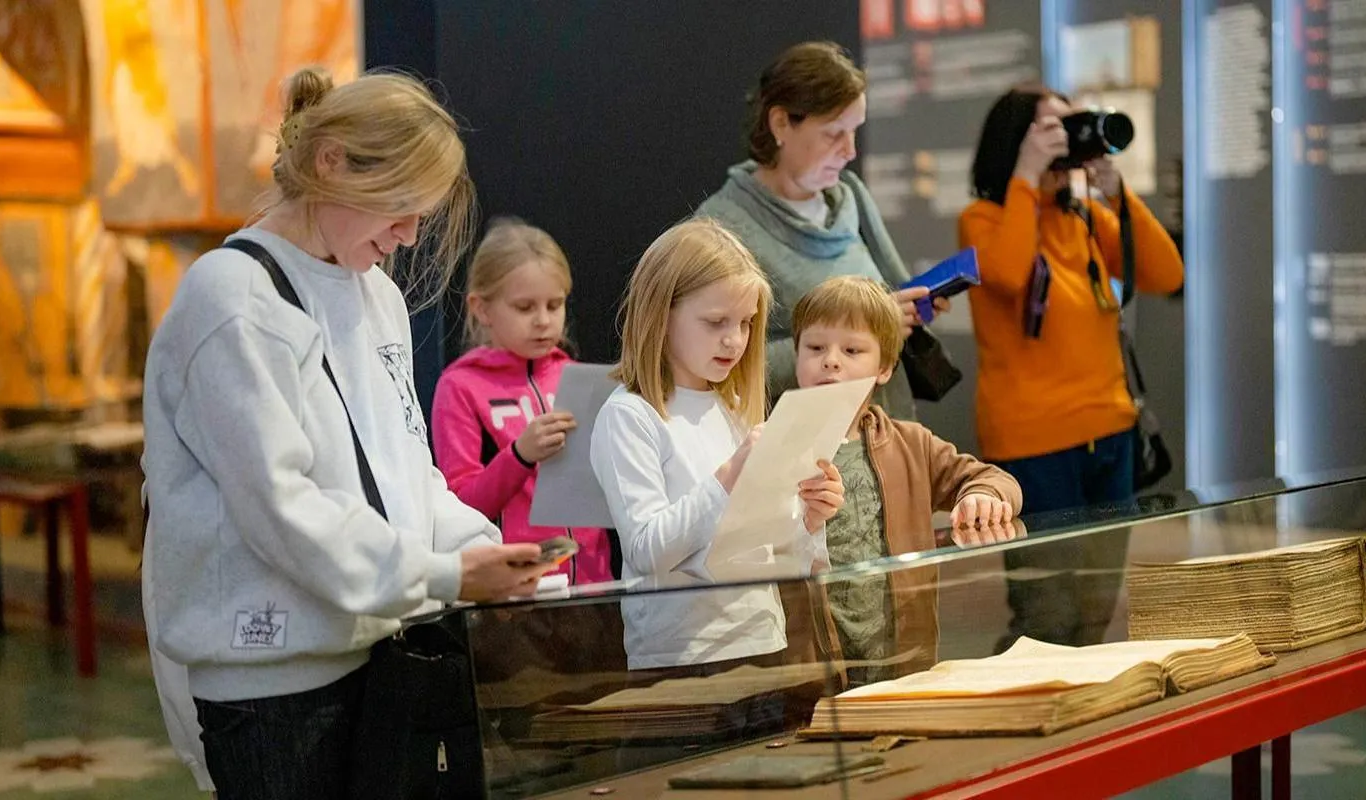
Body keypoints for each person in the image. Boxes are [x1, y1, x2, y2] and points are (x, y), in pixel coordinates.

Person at [140, 68, 555, 799]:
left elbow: (406, 475)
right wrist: (446, 577)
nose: (407, 236)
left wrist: (487, 552)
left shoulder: (378, 297)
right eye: (397, 208)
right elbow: (282, 508)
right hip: (271, 684)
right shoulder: (232, 297)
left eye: (421, 215)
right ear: (329, 162)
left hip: (378, 652)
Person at [960, 84, 1184, 647]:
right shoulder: (984, 219)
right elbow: (1011, 274)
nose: (1067, 139)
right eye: (1050, 129)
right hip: (1034, 448)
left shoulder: (1081, 219)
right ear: (1018, 141)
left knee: (1096, 607)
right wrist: (1026, 176)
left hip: (1110, 436)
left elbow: (1166, 274)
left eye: (1070, 126)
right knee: (1045, 614)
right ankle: (1025, 726)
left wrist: (1118, 196)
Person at [589, 218, 845, 672]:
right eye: (715, 322)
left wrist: (809, 517)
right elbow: (647, 550)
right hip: (681, 655)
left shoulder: (734, 406)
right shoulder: (630, 415)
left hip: (762, 638)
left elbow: (767, 546)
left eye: (746, 323)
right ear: (661, 314)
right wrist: (728, 476)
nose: (735, 340)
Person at [697, 41, 948, 420]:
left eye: (854, 132)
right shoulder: (722, 227)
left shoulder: (849, 195)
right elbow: (713, 364)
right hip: (804, 452)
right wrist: (861, 332)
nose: (850, 151)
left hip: (885, 428)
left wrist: (915, 307)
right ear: (781, 123)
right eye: (834, 134)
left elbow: (894, 289)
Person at [793, 276, 1023, 683]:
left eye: (851, 350)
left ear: (884, 367)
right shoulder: (771, 445)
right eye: (815, 348)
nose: (830, 360)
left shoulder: (912, 443)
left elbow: (992, 478)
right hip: (810, 671)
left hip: (903, 664)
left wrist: (983, 496)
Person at [431, 218, 613, 585]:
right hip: (517, 596)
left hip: (596, 587)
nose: (544, 321)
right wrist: (519, 455)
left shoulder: (578, 377)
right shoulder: (460, 386)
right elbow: (460, 508)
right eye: (525, 307)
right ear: (482, 309)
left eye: (555, 304)